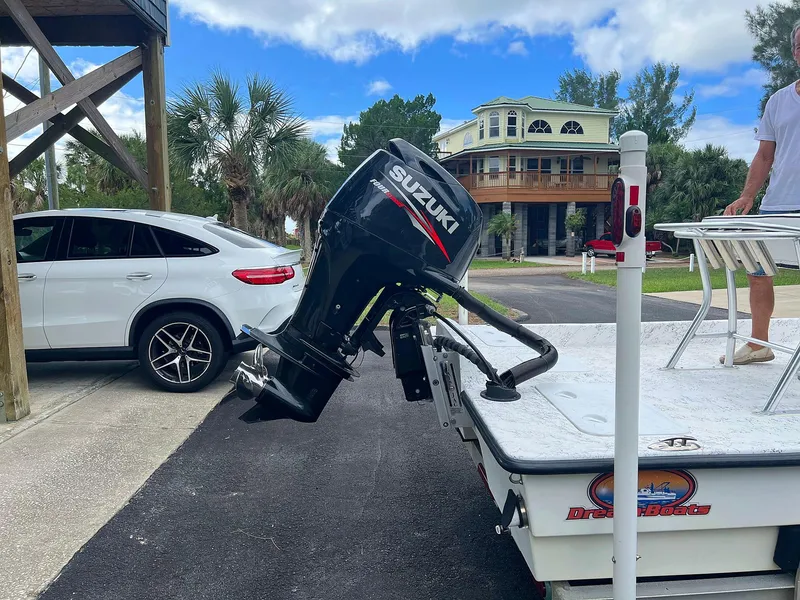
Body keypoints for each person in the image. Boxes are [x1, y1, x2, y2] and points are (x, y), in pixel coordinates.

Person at [721, 19, 800, 365]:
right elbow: (765, 155)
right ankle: (759, 345)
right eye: (799, 44)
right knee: (757, 276)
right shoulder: (778, 101)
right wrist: (747, 196)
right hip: (776, 207)